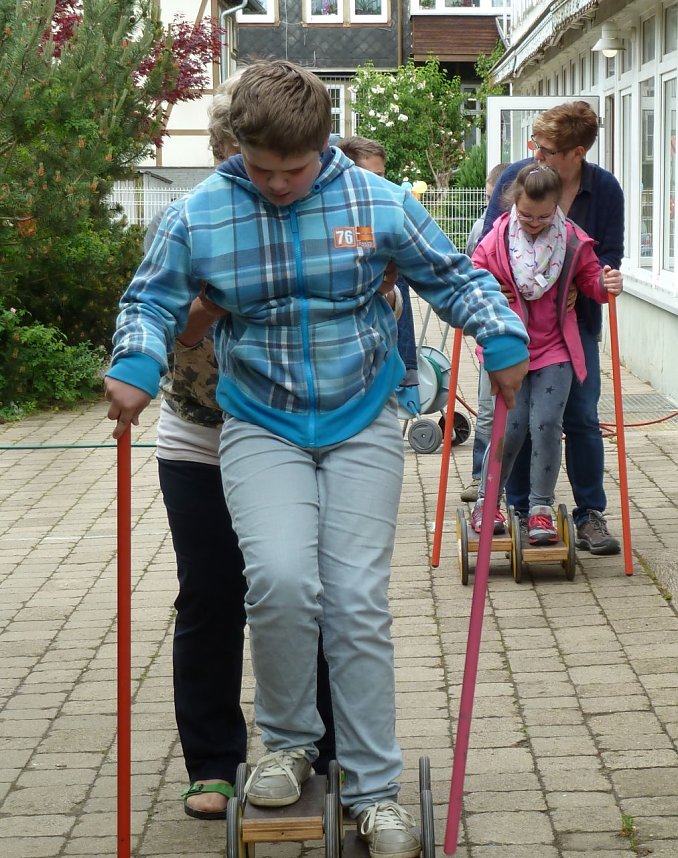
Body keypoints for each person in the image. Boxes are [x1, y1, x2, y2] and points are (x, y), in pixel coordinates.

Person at [104, 60, 529, 858]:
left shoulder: (377, 202)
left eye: (292, 170)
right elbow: (149, 299)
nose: (275, 185)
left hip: (362, 416)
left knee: (356, 598)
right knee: (280, 579)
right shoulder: (202, 212)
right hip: (260, 419)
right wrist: (134, 363)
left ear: (323, 145)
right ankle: (291, 743)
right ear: (238, 150)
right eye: (258, 168)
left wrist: (500, 333)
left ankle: (371, 788)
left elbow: (453, 276)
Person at [154, 74, 336, 821]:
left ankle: (317, 748)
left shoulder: (319, 210)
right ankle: (213, 760)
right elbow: (164, 334)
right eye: (246, 159)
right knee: (212, 590)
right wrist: (207, 307)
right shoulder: (186, 218)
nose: (267, 180)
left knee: (302, 589)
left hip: (299, 434)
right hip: (202, 430)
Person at [482, 100, 624, 555]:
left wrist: (600, 283)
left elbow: (604, 260)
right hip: (514, 334)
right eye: (535, 147)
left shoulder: (601, 194)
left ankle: (584, 514)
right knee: (513, 422)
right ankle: (509, 505)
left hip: (567, 332)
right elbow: (485, 254)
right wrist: (490, 293)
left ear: (575, 153)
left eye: (546, 150)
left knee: (574, 418)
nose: (536, 156)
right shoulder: (516, 182)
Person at [336, 135, 420, 411]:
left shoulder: (387, 220)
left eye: (384, 176)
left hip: (377, 366)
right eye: (374, 177)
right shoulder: (338, 222)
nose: (382, 185)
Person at [460, 161, 509, 503]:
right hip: (492, 333)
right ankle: (480, 476)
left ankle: (516, 483)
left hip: (532, 337)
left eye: (496, 201)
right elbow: (469, 269)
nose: (490, 209)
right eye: (488, 200)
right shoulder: (483, 228)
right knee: (488, 410)